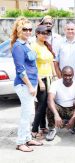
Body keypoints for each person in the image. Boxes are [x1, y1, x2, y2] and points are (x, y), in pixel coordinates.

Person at [11, 17, 43, 152]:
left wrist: (38, 81)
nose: (28, 32)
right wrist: (30, 86)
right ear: (19, 30)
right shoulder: (18, 46)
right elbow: (20, 70)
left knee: (29, 112)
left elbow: (33, 65)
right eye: (25, 29)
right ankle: (20, 142)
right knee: (26, 113)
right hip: (24, 85)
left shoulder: (27, 43)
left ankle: (27, 138)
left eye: (30, 29)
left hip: (32, 83)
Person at [31, 25, 57, 139]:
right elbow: (32, 66)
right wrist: (40, 82)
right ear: (37, 33)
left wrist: (55, 75)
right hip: (40, 79)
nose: (45, 35)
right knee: (41, 105)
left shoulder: (46, 45)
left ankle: (42, 127)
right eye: (43, 33)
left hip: (49, 78)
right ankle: (34, 129)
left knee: (45, 104)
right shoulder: (34, 46)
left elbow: (51, 61)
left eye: (47, 33)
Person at [46, 66, 75, 141]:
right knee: (50, 106)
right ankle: (52, 129)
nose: (67, 77)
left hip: (72, 108)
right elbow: (50, 100)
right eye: (65, 75)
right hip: (60, 108)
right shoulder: (55, 84)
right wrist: (56, 115)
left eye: (70, 75)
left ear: (73, 75)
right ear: (62, 75)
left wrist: (73, 119)